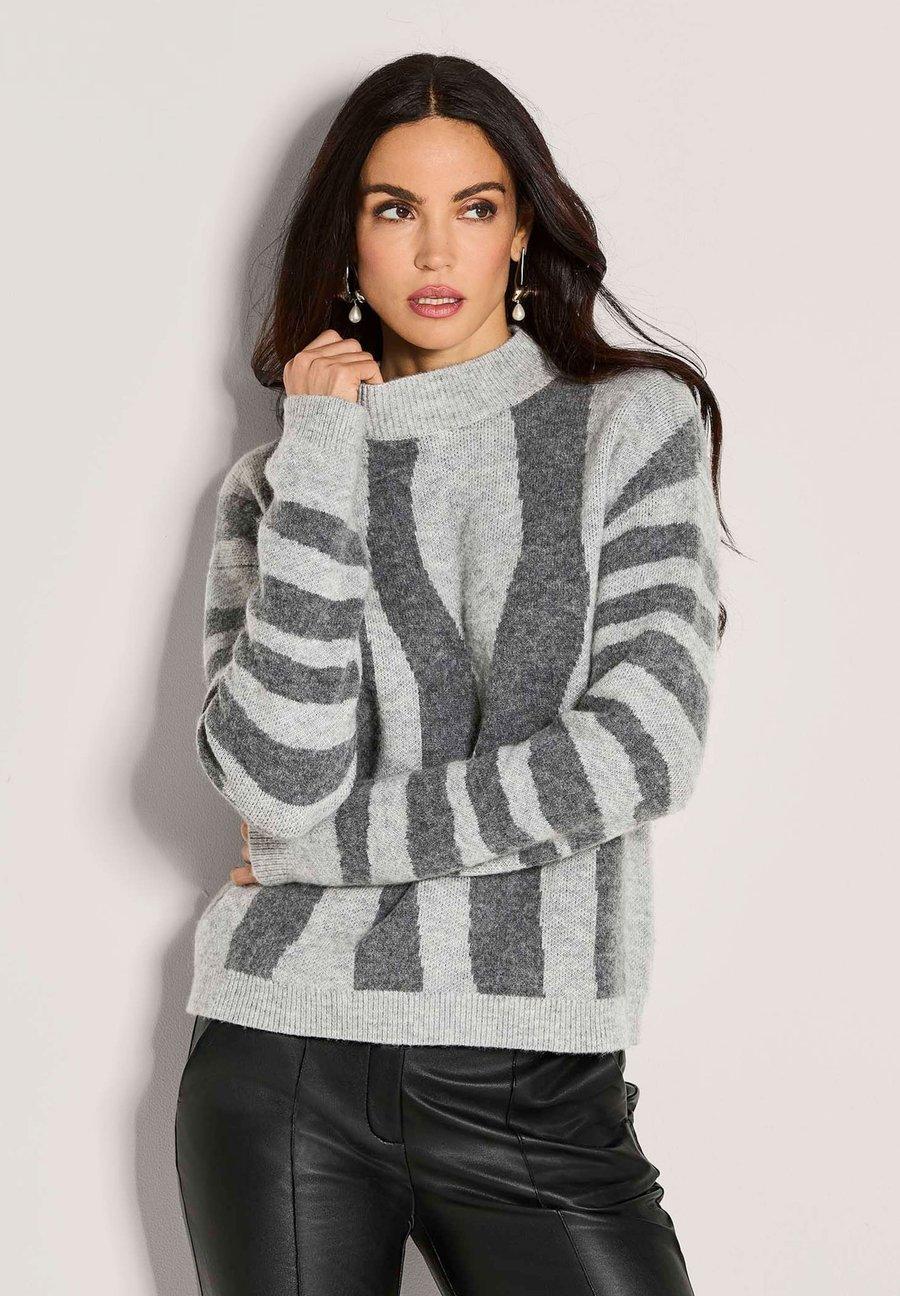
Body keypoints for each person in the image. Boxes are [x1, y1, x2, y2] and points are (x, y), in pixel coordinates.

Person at [175, 51, 733, 1296]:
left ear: (521, 231)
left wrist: (324, 850)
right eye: (395, 210)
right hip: (283, 1059)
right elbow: (275, 778)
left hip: (536, 1082)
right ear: (349, 240)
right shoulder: (279, 481)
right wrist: (325, 451)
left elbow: (642, 749)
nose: (437, 251)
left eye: (474, 208)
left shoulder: (631, 425)